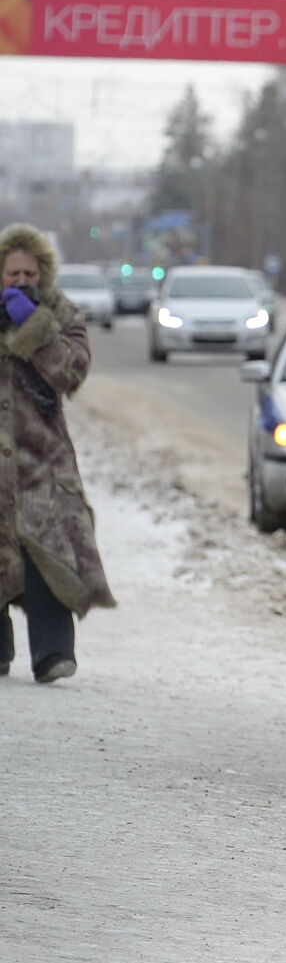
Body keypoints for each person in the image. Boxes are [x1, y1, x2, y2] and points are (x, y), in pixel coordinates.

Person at [0, 223, 116, 683]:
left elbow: (72, 372)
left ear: (43, 274)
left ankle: (52, 654)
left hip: (42, 463)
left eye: (30, 272)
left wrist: (33, 326)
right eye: (12, 273)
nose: (21, 281)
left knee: (46, 552)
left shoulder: (62, 314)